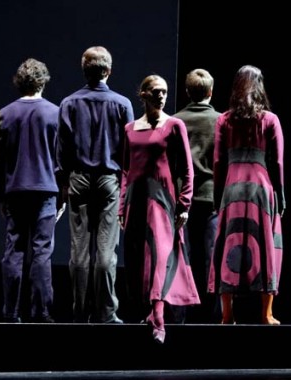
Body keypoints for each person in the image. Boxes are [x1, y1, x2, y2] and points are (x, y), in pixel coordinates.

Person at [118, 74, 200, 343]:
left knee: (161, 256)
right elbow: (126, 170)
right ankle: (148, 311)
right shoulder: (130, 128)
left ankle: (159, 316)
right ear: (143, 94)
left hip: (161, 199)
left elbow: (187, 169)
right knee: (138, 259)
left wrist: (185, 204)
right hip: (135, 199)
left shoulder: (174, 125)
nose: (161, 96)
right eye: (155, 91)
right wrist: (121, 205)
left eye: (164, 92)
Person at [57, 46, 133, 324]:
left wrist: (64, 182)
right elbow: (129, 151)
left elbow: (61, 150)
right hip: (109, 180)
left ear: (84, 70)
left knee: (78, 252)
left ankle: (79, 312)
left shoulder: (69, 103)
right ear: (108, 71)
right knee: (106, 250)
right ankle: (106, 313)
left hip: (78, 179)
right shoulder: (122, 104)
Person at [207, 65, 285, 325]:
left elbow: (217, 162)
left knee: (228, 244)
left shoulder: (224, 120)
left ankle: (228, 315)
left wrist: (218, 197)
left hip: (232, 186)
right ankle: (266, 313)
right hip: (261, 188)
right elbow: (278, 163)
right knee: (266, 245)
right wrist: (281, 195)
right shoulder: (270, 120)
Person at [0, 58, 62, 323]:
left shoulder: (5, 113)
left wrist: (0, 194)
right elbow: (60, 157)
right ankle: (42, 312)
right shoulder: (55, 113)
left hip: (15, 190)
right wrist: (62, 193)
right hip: (46, 190)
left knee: (14, 251)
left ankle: (10, 312)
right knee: (42, 252)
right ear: (43, 81)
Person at [171, 68, 221, 324]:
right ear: (211, 92)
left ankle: (180, 316)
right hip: (212, 198)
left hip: (182, 200)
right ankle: (214, 318)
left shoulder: (175, 121)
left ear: (188, 92)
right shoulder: (221, 121)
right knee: (212, 259)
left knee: (182, 258)